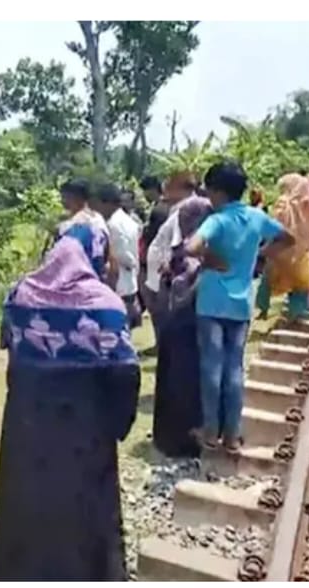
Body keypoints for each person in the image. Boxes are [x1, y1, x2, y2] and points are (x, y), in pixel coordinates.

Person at [0, 217, 140, 582]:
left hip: (27, 426)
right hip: (85, 429)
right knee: (87, 513)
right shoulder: (106, 304)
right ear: (96, 253)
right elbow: (125, 372)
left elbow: (11, 354)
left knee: (25, 506)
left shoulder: (20, 295)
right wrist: (119, 424)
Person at [185, 159, 295, 453]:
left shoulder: (217, 219)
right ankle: (232, 435)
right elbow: (288, 238)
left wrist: (209, 259)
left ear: (218, 191)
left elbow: (191, 247)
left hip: (211, 303)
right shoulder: (256, 217)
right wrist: (260, 254)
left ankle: (210, 431)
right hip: (241, 304)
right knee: (234, 368)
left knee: (211, 367)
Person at [150, 195, 213, 458]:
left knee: (183, 383)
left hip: (187, 324)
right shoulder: (189, 247)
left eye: (190, 218)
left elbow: (194, 281)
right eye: (183, 217)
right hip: (180, 326)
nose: (185, 222)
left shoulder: (201, 248)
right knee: (175, 381)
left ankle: (180, 440)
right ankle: (172, 439)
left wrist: (181, 295)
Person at [141, 172, 200, 352]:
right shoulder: (179, 207)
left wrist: (168, 264)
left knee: (167, 314)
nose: (165, 189)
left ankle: (169, 348)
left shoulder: (185, 208)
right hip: (170, 271)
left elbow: (177, 242)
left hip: (172, 272)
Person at [255, 174, 309, 320]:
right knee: (301, 285)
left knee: (268, 280)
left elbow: (274, 225)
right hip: (300, 252)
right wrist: (307, 241)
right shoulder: (308, 203)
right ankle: (296, 313)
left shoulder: (283, 203)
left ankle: (263, 310)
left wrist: (268, 245)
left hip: (281, 251)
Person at [92, 184, 143, 328]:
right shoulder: (129, 221)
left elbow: (121, 255)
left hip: (117, 284)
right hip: (129, 282)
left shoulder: (111, 225)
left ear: (105, 203)